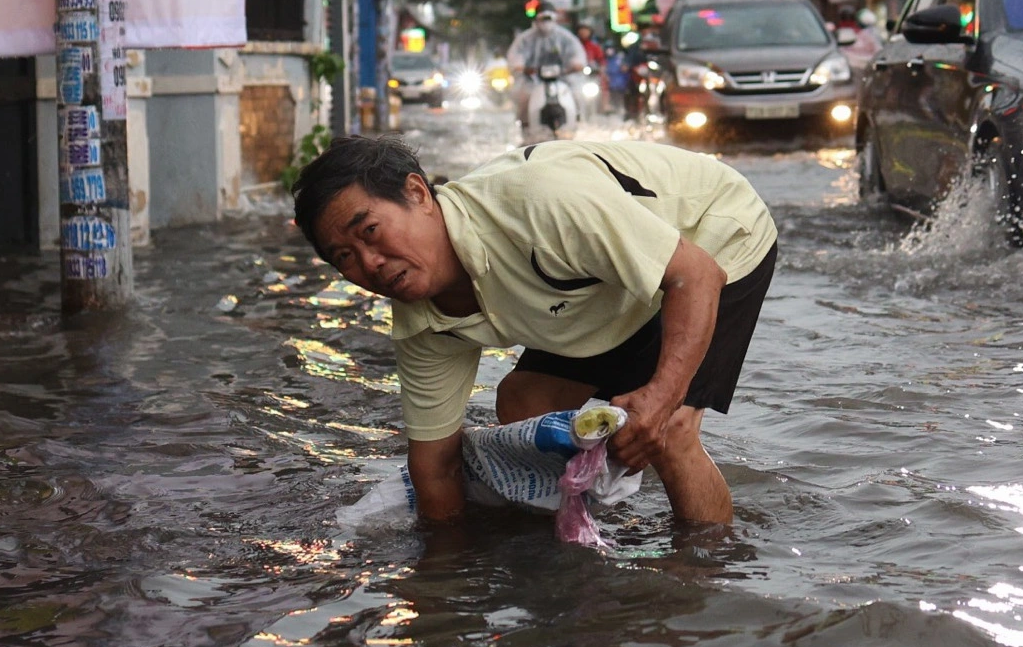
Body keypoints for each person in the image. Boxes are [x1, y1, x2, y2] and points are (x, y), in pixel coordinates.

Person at [294, 134, 778, 528]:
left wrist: (659, 397)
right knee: (525, 405)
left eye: (371, 232)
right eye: (345, 258)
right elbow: (435, 466)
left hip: (711, 240)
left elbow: (693, 276)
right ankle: (572, 540)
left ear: (418, 194)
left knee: (668, 429)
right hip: (606, 288)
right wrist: (445, 585)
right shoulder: (422, 325)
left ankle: (709, 574)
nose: (370, 264)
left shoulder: (538, 201)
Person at [506, 10, 588, 140]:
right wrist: (523, 67)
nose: (546, 23)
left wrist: (574, 66)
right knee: (523, 97)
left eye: (548, 19)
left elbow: (577, 56)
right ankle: (526, 128)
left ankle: (577, 121)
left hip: (563, 79)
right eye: (543, 19)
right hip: (533, 80)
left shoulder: (566, 38)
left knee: (577, 94)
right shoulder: (525, 39)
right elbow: (515, 58)